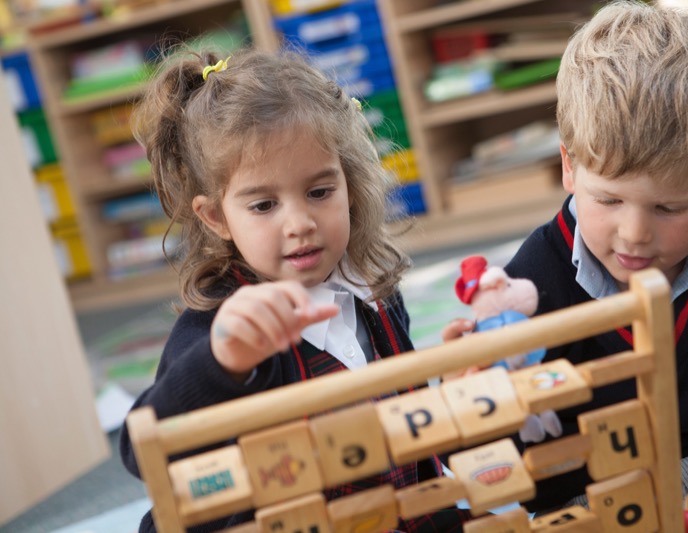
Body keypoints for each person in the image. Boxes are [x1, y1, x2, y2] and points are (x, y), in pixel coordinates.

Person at [443, 2, 688, 531]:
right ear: (569, 165)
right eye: (609, 201)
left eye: (668, 208)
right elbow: (503, 450)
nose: (634, 233)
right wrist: (474, 392)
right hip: (601, 499)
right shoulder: (533, 280)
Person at [118, 47, 468, 532]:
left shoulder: (374, 294)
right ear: (216, 217)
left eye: (320, 192)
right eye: (263, 205)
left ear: (349, 182)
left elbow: (409, 440)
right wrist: (222, 363)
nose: (300, 224)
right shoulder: (220, 330)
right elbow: (141, 452)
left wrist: (456, 394)